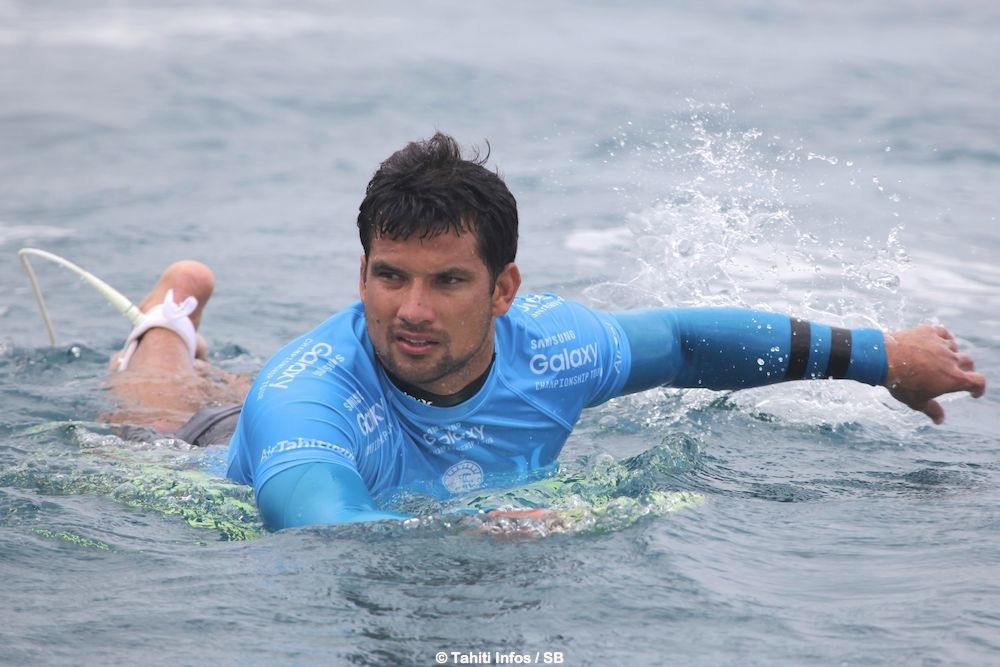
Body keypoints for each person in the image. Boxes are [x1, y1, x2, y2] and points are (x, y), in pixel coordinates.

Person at [108, 132, 986, 531]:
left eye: (447, 280)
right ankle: (169, 317)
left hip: (333, 401)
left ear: (504, 291)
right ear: (362, 273)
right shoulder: (307, 401)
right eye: (389, 276)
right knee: (152, 421)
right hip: (226, 444)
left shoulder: (553, 343)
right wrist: (467, 527)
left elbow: (681, 341)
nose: (411, 307)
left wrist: (880, 357)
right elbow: (323, 525)